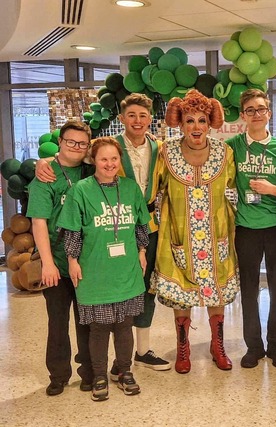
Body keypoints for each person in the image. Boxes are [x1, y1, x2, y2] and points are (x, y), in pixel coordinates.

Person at [35, 93, 170, 373]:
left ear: (150, 120)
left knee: (141, 292)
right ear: (121, 119)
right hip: (85, 243)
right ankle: (74, 371)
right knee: (82, 313)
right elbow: (70, 154)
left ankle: (132, 353)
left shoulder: (160, 147)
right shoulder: (105, 147)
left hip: (138, 227)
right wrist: (43, 161)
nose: (138, 121)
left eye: (143, 116)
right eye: (131, 115)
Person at [150, 89, 239, 374]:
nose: (196, 127)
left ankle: (217, 344)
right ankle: (183, 347)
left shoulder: (225, 152)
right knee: (182, 295)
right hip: (178, 235)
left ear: (210, 121)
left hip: (217, 237)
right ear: (180, 123)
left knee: (217, 293)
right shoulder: (165, 151)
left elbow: (233, 192)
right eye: (189, 121)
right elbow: (155, 192)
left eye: (202, 120)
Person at [58, 137, 150, 401]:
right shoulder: (81, 190)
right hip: (94, 270)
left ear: (119, 161)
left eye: (114, 159)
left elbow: (141, 225)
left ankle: (124, 372)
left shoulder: (131, 189)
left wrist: (142, 251)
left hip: (126, 270)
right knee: (98, 328)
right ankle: (99, 375)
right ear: (93, 161)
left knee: (124, 325)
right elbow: (72, 230)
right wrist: (73, 260)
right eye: (103, 159)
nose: (109, 164)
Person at [225, 89, 276, 369]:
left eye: (261, 109)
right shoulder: (232, 147)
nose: (256, 114)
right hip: (246, 227)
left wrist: (271, 189)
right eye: (250, 110)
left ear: (269, 113)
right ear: (243, 116)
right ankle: (254, 346)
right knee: (249, 288)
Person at [27, 120, 93, 396]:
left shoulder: (92, 170)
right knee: (57, 322)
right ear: (61, 142)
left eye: (82, 143)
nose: (76, 148)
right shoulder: (46, 175)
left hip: (88, 262)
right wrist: (48, 264)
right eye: (70, 142)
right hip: (56, 259)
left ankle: (89, 371)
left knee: (88, 320)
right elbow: (39, 221)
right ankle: (58, 374)